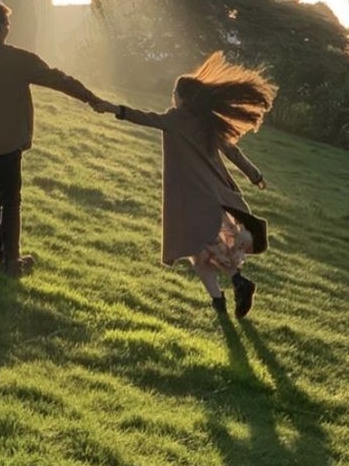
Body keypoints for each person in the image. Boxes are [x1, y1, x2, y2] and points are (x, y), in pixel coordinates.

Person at [92, 52, 276, 317]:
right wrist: (255, 175)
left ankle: (238, 282)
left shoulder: (175, 119)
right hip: (214, 196)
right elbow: (233, 153)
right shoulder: (208, 124)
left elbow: (143, 117)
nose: (172, 97)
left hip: (193, 199)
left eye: (174, 93)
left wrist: (111, 108)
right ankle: (221, 304)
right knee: (198, 254)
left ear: (182, 98)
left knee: (202, 248)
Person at [0, 1, 96, 277]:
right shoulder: (17, 59)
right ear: (1, 28)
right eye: (7, 23)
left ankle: (1, 255)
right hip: (7, 141)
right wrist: (91, 99)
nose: (8, 28)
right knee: (10, 199)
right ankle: (12, 263)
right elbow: (57, 79)